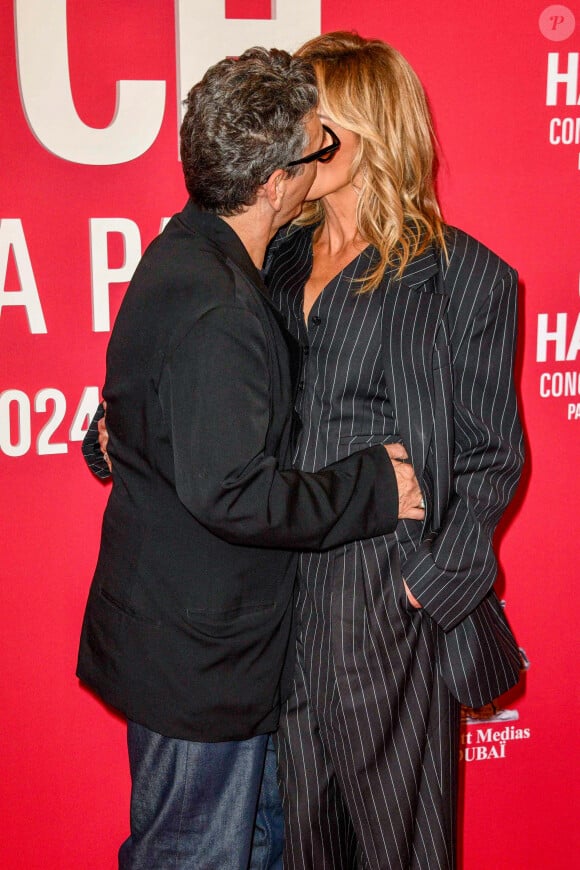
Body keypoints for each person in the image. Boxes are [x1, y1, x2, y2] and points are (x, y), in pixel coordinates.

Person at [76, 46, 425, 870]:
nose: (328, 155)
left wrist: (120, 433)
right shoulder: (223, 302)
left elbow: (166, 400)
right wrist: (378, 484)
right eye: (318, 146)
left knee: (251, 847)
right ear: (276, 183)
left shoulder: (191, 248)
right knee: (196, 855)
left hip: (207, 648)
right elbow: (233, 493)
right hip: (200, 663)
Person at [263, 32, 524, 870]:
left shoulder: (464, 275)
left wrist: (426, 586)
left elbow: (492, 454)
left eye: (316, 115)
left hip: (384, 588)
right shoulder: (273, 259)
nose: (297, 134)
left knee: (398, 845)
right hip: (276, 589)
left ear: (367, 125)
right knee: (305, 837)